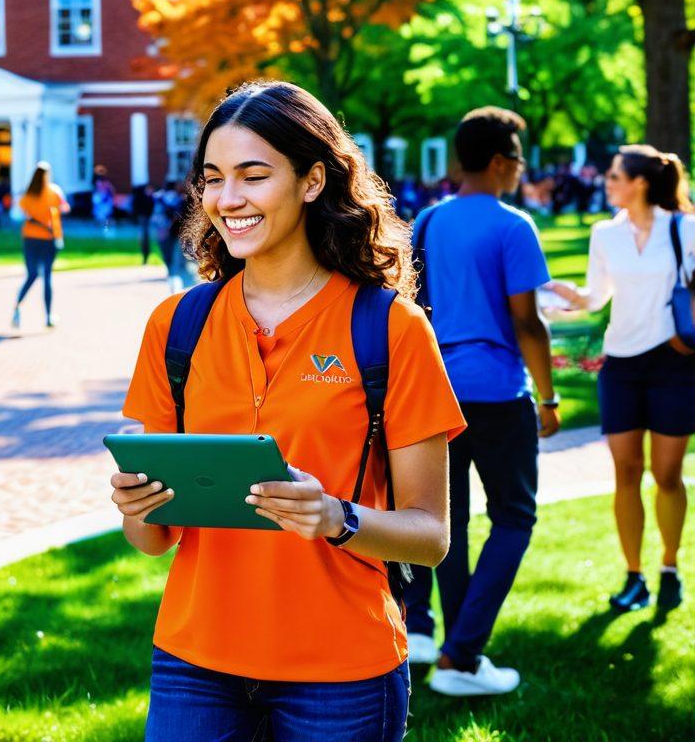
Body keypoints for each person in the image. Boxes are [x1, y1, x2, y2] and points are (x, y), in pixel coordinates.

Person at [111, 81, 465, 742]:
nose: (228, 199)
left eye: (254, 175)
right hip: (195, 663)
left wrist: (335, 516)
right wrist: (136, 508)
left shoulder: (389, 329)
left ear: (311, 181)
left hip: (342, 673)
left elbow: (432, 536)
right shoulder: (176, 325)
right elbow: (152, 541)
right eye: (213, 178)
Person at [401, 107, 560, 697]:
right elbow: (528, 321)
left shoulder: (427, 222)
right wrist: (549, 397)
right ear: (499, 162)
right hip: (497, 391)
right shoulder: (513, 225)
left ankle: (433, 636)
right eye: (518, 159)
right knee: (515, 517)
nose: (520, 169)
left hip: (438, 392)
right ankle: (462, 657)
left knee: (452, 522)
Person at [550, 145, 694, 612]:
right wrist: (573, 298)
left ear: (640, 183)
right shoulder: (604, 234)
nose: (607, 182)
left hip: (673, 365)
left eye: (614, 176)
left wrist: (683, 340)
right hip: (622, 366)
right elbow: (597, 296)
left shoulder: (685, 227)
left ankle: (669, 566)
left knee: (668, 475)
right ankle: (634, 576)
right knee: (626, 472)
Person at [13, 161, 70, 332]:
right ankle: (48, 315)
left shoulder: (28, 194)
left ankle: (17, 306)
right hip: (48, 239)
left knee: (31, 275)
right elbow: (64, 208)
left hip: (30, 238)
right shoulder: (54, 192)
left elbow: (23, 212)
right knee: (47, 276)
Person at [133, 183, 156, 264]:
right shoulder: (142, 198)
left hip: (149, 221)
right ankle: (145, 255)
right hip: (143, 220)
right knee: (142, 238)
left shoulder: (152, 199)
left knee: (147, 239)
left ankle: (147, 254)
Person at [92, 165, 115, 236]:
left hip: (105, 202)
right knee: (99, 217)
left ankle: (106, 230)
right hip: (100, 203)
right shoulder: (96, 183)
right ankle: (98, 231)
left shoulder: (107, 183)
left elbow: (112, 191)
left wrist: (107, 197)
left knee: (107, 217)